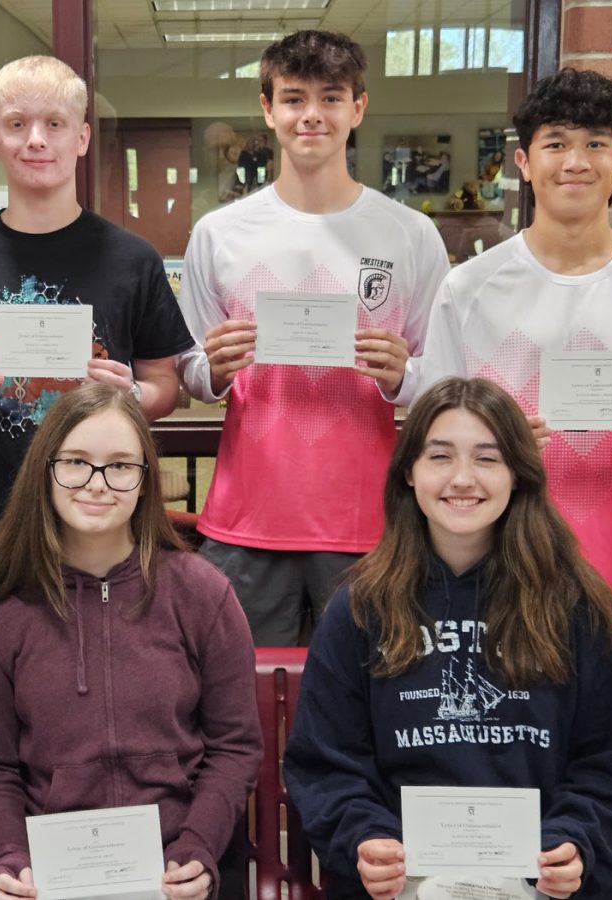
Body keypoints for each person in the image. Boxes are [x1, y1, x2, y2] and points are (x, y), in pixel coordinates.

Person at [283, 378, 612, 900]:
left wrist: (576, 843)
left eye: (487, 459)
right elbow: (326, 764)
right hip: (401, 886)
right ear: (409, 474)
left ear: (518, 476)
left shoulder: (577, 605)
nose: (462, 478)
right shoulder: (360, 608)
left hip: (542, 886)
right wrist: (365, 840)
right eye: (440, 456)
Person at [416, 67, 612, 716]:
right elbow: (428, 435)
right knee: (501, 789)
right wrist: (493, 446)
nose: (575, 161)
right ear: (524, 162)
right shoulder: (469, 290)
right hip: (493, 590)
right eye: (555, 143)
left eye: (595, 143)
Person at [176, 30, 450, 646]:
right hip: (247, 521)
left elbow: (446, 377)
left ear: (358, 108)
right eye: (294, 98)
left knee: (368, 708)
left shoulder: (408, 235)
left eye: (330, 98)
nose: (312, 116)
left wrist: (403, 375)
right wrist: (215, 368)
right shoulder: (220, 234)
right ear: (268, 110)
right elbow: (189, 366)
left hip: (370, 523)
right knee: (236, 706)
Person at [0, 56, 194, 600]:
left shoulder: (132, 259)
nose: (35, 140)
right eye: (16, 124)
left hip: (108, 523)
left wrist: (133, 392)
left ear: (81, 138)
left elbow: (165, 387)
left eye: (53, 123)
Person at [0, 383, 262, 900]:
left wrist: (198, 848)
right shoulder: (5, 612)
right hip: (56, 874)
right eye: (75, 461)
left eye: (120, 466)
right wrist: (9, 858)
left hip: (178, 869)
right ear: (45, 472)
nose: (97, 483)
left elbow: (235, 747)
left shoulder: (201, 593)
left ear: (144, 481)